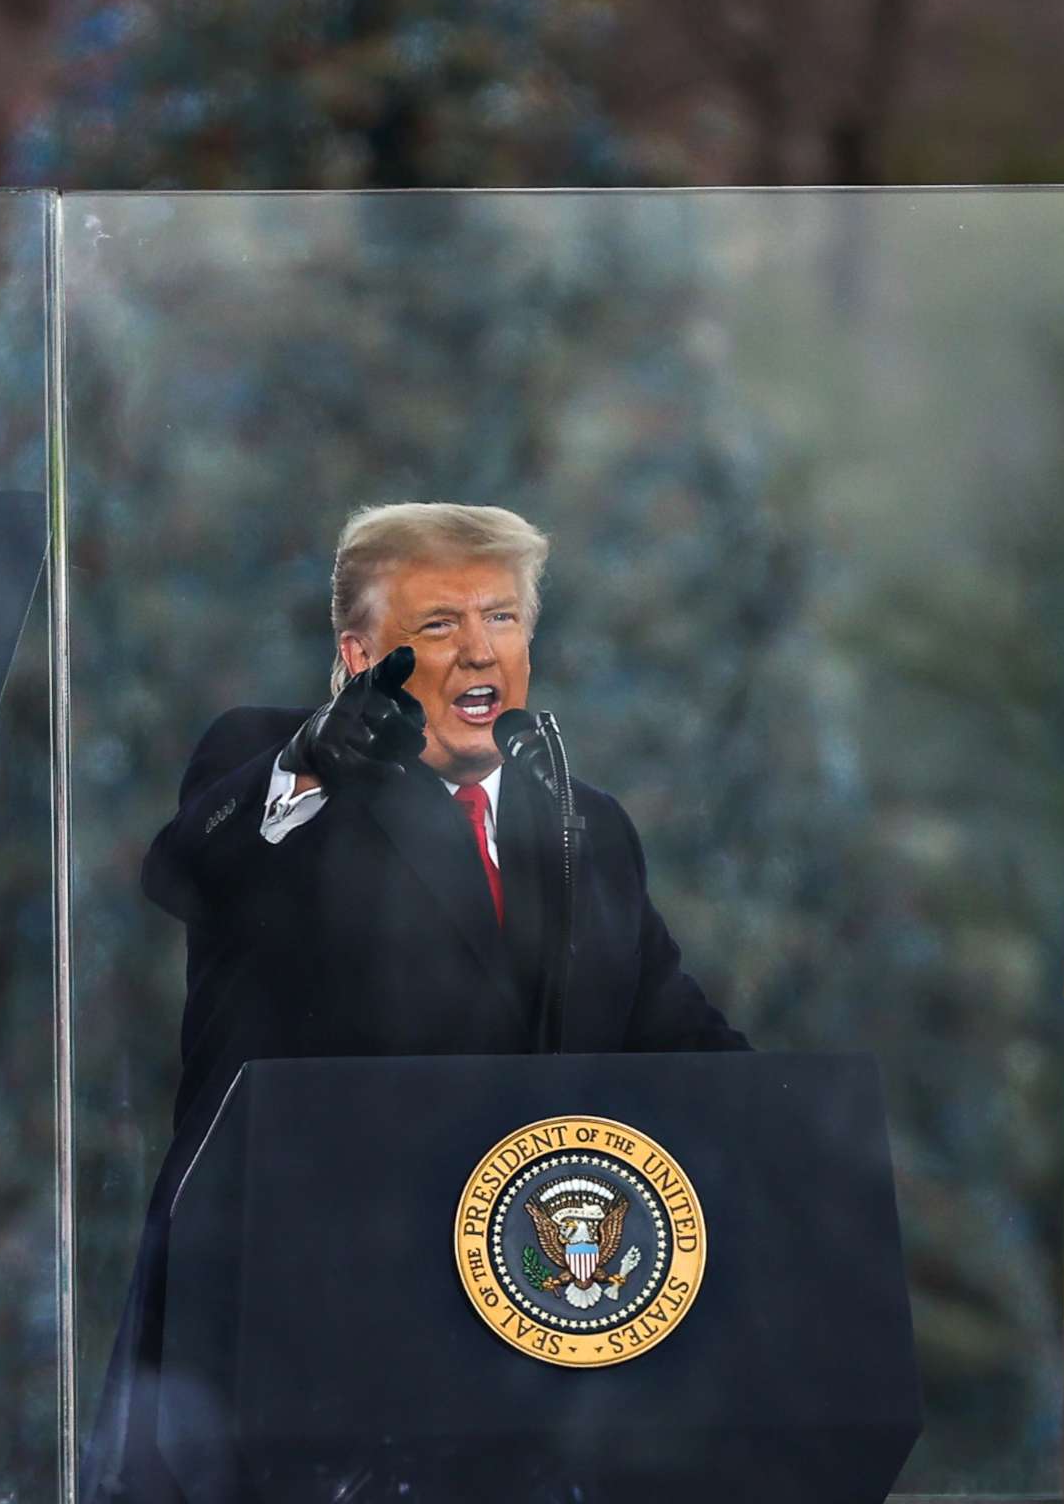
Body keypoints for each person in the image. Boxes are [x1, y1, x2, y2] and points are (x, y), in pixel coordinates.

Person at [84, 501, 747, 1504]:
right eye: (439, 625)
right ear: (359, 656)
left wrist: (786, 1127)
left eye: (504, 617)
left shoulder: (584, 824)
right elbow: (187, 872)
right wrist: (311, 757)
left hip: (520, 1343)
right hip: (288, 1334)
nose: (480, 650)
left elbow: (671, 1027)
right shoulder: (280, 772)